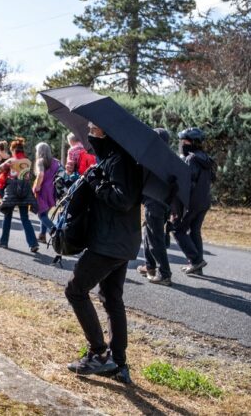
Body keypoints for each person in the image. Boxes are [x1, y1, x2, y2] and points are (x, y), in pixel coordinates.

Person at [65, 122, 141, 384]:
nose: (89, 131)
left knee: (75, 290)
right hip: (118, 241)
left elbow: (123, 199)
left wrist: (96, 181)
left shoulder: (120, 160)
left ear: (106, 131)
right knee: (111, 298)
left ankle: (98, 353)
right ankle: (118, 364)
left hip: (109, 243)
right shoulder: (112, 158)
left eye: (93, 128)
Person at [173, 128, 215, 275]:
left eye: (185, 141)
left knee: (178, 230)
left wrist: (177, 206)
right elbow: (212, 180)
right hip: (204, 201)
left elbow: (186, 184)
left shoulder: (191, 159)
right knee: (194, 231)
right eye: (181, 141)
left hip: (192, 203)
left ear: (194, 143)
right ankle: (197, 266)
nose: (182, 144)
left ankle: (196, 261)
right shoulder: (205, 158)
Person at [137, 128, 176, 286]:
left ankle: (165, 274)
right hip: (163, 202)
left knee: (155, 239)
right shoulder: (170, 158)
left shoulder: (152, 157)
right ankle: (150, 266)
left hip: (154, 203)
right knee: (148, 233)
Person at [0, 138, 39, 253]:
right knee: (25, 218)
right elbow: (28, 176)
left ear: (13, 149)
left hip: (12, 190)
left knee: (7, 215)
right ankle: (33, 243)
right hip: (25, 190)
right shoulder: (28, 161)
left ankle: (3, 241)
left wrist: (5, 165)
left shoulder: (11, 161)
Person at [33, 142, 61, 244]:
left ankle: (55, 230)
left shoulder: (40, 161)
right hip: (52, 190)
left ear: (40, 151)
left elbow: (40, 174)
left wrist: (37, 187)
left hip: (43, 190)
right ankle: (42, 235)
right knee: (44, 212)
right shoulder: (56, 162)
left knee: (41, 215)